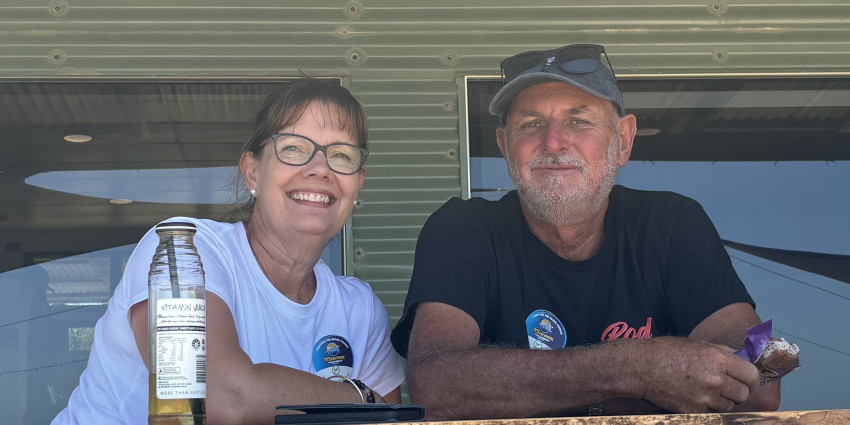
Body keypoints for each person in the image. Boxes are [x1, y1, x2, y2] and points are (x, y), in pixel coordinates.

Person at [390, 43, 782, 420]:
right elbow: (435, 386)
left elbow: (761, 380)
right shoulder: (465, 228)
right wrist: (636, 370)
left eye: (578, 121)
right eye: (530, 123)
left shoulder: (673, 223)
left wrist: (553, 394)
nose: (553, 142)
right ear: (505, 147)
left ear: (623, 141)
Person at [53, 79, 405, 425]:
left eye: (341, 155)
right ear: (252, 172)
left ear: (358, 185)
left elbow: (393, 422)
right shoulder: (182, 249)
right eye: (294, 149)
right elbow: (220, 400)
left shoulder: (358, 310)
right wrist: (360, 398)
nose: (320, 169)